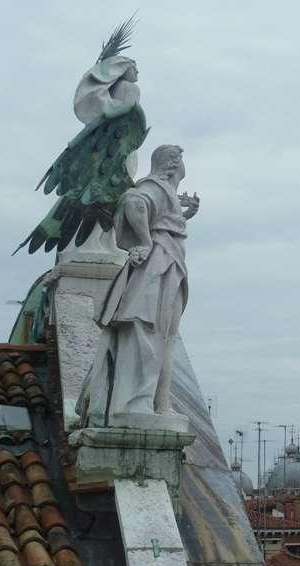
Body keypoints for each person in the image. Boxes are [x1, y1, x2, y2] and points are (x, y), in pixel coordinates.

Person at [77, 144, 201, 425]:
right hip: (156, 267)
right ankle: (136, 403)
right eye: (182, 162)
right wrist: (145, 241)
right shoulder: (154, 185)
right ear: (173, 164)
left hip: (167, 265)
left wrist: (185, 216)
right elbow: (133, 202)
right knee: (147, 330)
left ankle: (159, 404)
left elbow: (164, 223)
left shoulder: (164, 191)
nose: (184, 168)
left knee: (164, 337)